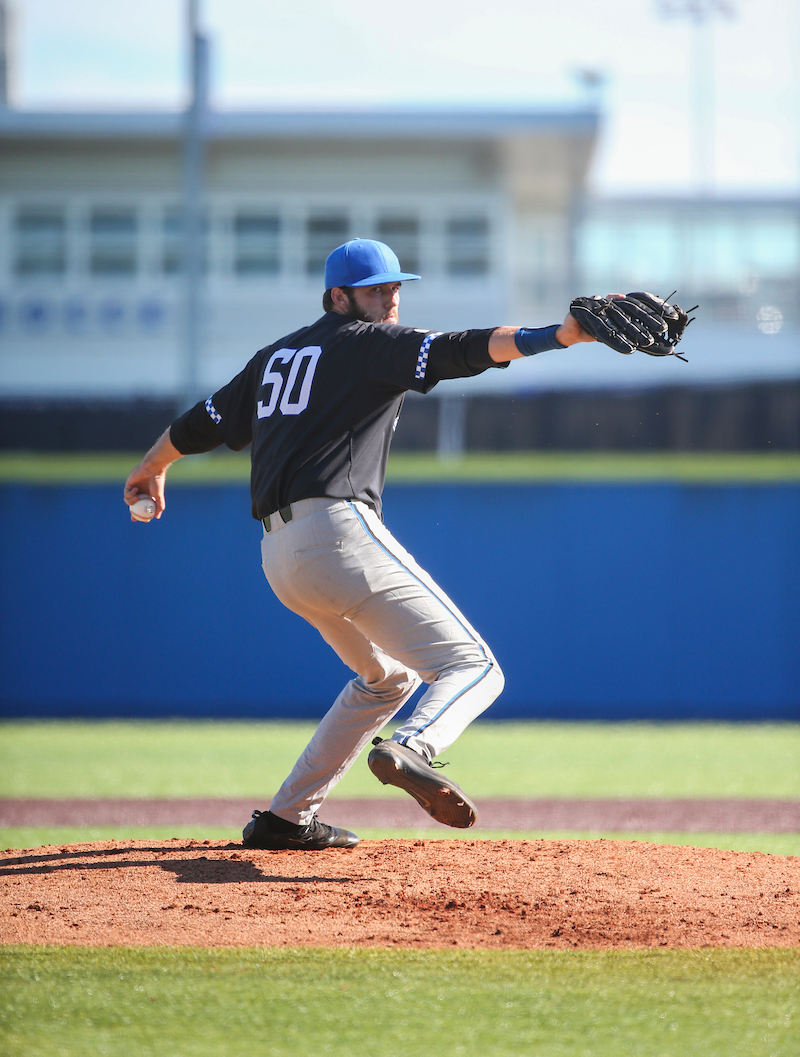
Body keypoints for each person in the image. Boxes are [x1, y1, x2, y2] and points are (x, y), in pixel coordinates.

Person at [123, 238, 595, 851]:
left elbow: (202, 423)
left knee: (385, 680)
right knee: (474, 666)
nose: (391, 299)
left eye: (396, 287)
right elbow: (463, 350)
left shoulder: (275, 358)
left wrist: (151, 466)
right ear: (338, 297)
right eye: (378, 290)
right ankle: (414, 747)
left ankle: (287, 818)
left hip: (278, 557)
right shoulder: (367, 342)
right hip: (337, 534)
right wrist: (558, 335)